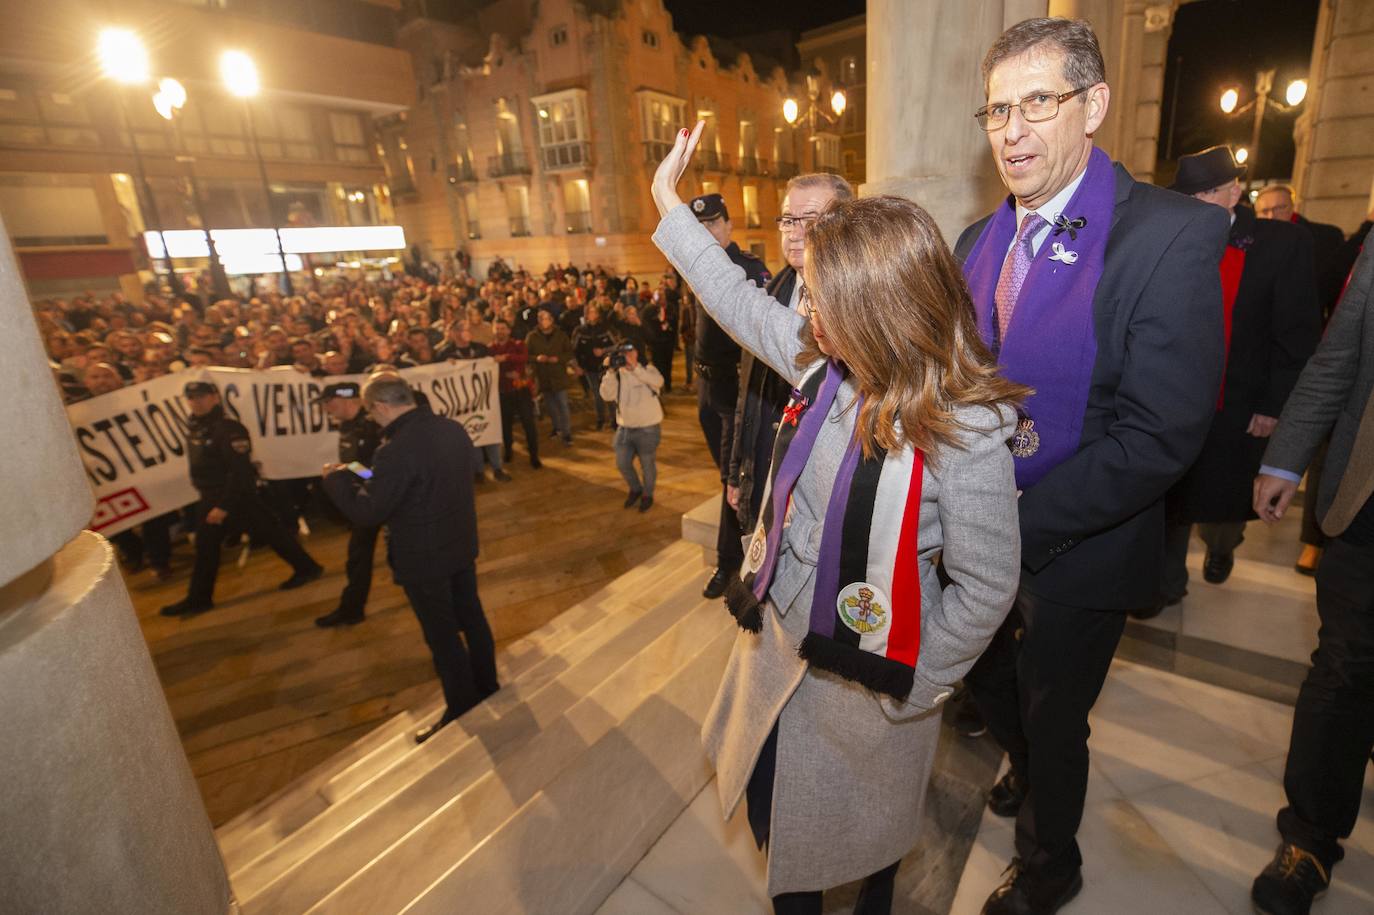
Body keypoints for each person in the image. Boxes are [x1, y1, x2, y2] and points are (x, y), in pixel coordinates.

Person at [651, 123, 1024, 915]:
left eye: (820, 299)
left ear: (879, 309)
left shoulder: (967, 422)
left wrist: (914, 686)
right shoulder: (827, 358)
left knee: (863, 852)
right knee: (776, 826)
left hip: (869, 681)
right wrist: (665, 202)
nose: (804, 311)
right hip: (778, 653)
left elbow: (988, 582)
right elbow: (732, 300)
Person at [953, 19, 1229, 914]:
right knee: (986, 685)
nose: (1013, 130)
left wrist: (1012, 529)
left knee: (1052, 713)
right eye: (999, 108)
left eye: (1039, 101)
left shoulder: (1169, 234)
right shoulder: (973, 241)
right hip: (978, 532)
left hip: (1084, 546)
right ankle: (1030, 774)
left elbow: (1160, 433)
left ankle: (1048, 864)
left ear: (1094, 105)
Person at [1249, 244, 1374, 915]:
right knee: (1343, 669)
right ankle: (1311, 838)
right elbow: (1338, 356)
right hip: (1367, 502)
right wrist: (1287, 458)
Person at [1158, 146, 1319, 607]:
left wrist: (1273, 406)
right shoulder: (1171, 238)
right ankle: (1166, 582)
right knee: (1173, 495)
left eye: (1208, 191)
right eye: (1190, 193)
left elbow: (1296, 334)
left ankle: (1221, 549)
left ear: (1233, 191)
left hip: (1242, 398)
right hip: (1179, 397)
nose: (1198, 201)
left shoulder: (1280, 245)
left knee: (1226, 494)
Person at [322, 374, 498, 744]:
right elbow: (415, 479)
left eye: (372, 413)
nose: (373, 420)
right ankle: (487, 684)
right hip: (460, 543)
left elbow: (370, 511)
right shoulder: (451, 428)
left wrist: (337, 483)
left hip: (424, 556)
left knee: (442, 634)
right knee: (472, 616)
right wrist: (355, 470)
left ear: (382, 406)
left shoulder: (395, 449)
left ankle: (462, 703)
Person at [729, 173, 853, 541]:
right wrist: (738, 469)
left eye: (811, 220)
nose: (795, 232)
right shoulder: (769, 294)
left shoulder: (860, 308)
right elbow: (748, 392)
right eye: (787, 219)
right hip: (765, 466)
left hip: (822, 497)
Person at [161, 381, 324, 617]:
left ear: (215, 397)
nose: (197, 401)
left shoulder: (228, 429)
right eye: (192, 397)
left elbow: (240, 472)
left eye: (202, 396)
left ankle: (199, 598)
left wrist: (223, 506)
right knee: (259, 535)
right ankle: (307, 567)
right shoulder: (196, 426)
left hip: (231, 496)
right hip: (213, 495)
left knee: (261, 534)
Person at [688, 192, 773, 601]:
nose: (706, 231)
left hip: (733, 387)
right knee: (725, 472)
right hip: (705, 386)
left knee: (730, 474)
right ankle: (742, 534)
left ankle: (728, 563)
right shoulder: (698, 266)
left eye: (713, 223)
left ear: (728, 225)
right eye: (699, 226)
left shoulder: (747, 269)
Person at [313, 382, 383, 627]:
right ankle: (351, 608)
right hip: (363, 499)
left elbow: (377, 473)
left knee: (368, 556)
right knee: (358, 557)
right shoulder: (348, 427)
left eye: (329, 403)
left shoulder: (372, 427)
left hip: (378, 498)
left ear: (348, 400)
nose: (326, 409)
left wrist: (346, 469)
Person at [439, 321, 510, 482]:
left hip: (484, 399)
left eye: (468, 329)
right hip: (462, 403)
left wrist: (494, 361)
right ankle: (478, 471)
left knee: (490, 433)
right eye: (463, 330)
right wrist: (446, 366)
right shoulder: (445, 353)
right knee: (473, 436)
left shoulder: (480, 348)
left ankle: (497, 468)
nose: (467, 332)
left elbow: (489, 364)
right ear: (455, 333)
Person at [600, 343, 663, 512]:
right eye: (623, 352)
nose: (627, 355)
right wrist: (610, 372)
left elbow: (659, 381)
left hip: (648, 428)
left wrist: (635, 368)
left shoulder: (648, 369)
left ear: (637, 352)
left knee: (647, 465)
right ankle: (635, 489)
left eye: (630, 351)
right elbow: (606, 395)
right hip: (624, 428)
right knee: (622, 463)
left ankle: (647, 495)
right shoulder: (618, 375)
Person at [489, 318, 542, 469]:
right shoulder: (490, 348)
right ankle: (508, 451)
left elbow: (524, 357)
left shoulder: (518, 345)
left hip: (521, 391)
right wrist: (505, 374)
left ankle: (534, 455)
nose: (500, 331)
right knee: (505, 426)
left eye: (503, 328)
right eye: (497, 329)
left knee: (529, 424)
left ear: (508, 330)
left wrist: (506, 357)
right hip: (502, 392)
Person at [525, 308, 575, 445]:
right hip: (543, 376)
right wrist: (536, 358)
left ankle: (567, 433)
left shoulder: (561, 335)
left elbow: (569, 353)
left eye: (546, 318)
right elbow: (526, 355)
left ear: (552, 320)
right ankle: (556, 428)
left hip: (558, 375)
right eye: (541, 319)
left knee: (563, 405)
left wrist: (558, 359)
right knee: (551, 406)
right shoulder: (532, 336)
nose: (544, 321)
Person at [573, 302, 617, 430]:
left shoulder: (606, 328)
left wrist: (603, 351)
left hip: (606, 367)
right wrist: (577, 366)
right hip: (589, 367)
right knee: (597, 394)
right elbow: (574, 349)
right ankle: (600, 419)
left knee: (609, 392)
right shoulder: (580, 331)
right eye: (589, 312)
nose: (592, 315)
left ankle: (614, 419)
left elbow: (616, 344)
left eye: (594, 312)